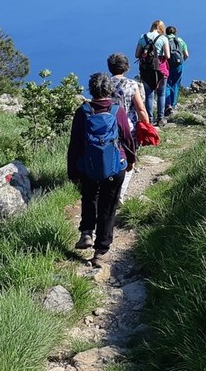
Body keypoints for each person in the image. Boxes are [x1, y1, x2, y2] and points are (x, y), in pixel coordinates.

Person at [67, 73, 136, 267]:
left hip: (87, 166)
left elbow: (75, 144)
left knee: (89, 197)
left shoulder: (83, 112)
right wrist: (130, 160)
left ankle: (86, 233)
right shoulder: (117, 111)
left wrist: (73, 171)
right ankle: (101, 251)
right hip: (115, 166)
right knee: (108, 206)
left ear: (91, 90)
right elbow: (128, 139)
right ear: (109, 90)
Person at [134, 20, 171, 127]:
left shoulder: (143, 37)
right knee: (161, 94)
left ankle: (149, 119)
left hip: (146, 70)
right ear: (162, 28)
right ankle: (160, 118)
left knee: (149, 95)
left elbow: (137, 54)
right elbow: (168, 56)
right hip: (161, 69)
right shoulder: (163, 38)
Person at [107, 52, 149, 131]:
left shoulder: (104, 84)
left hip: (108, 127)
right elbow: (140, 109)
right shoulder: (131, 84)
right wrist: (148, 126)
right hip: (128, 127)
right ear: (126, 67)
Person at [164, 26, 189, 117]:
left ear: (166, 32)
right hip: (179, 64)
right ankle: (173, 105)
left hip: (167, 65)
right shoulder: (180, 40)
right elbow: (186, 54)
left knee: (167, 84)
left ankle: (168, 105)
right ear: (175, 32)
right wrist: (181, 62)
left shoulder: (164, 40)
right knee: (176, 84)